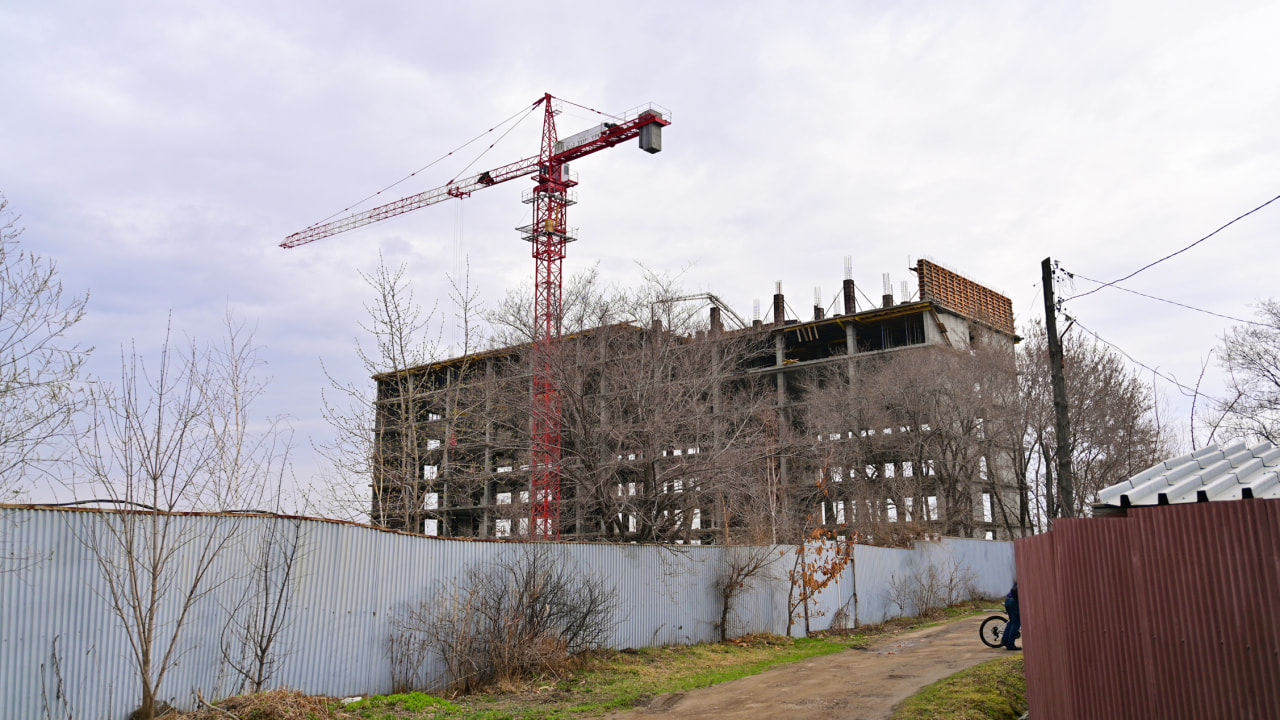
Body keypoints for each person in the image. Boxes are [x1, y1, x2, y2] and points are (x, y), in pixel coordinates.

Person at [1003, 581, 1021, 651]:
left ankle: (1005, 640)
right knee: (1016, 623)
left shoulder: (1020, 579)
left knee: (1012, 622)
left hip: (1008, 599)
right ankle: (1010, 644)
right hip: (1013, 601)